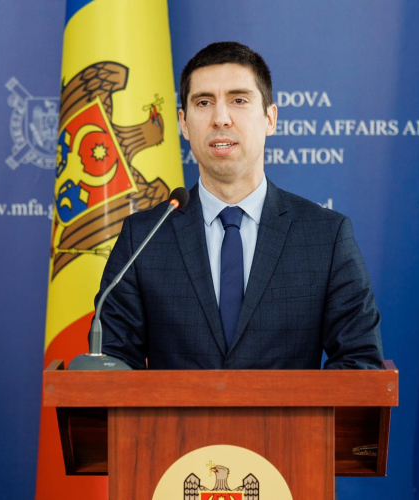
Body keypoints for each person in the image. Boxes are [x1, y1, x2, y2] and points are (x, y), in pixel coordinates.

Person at [91, 41, 383, 369]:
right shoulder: (143, 237)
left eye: (239, 100)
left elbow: (360, 363)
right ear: (184, 123)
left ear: (270, 118)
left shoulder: (326, 236)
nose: (221, 118)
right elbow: (112, 364)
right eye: (204, 102)